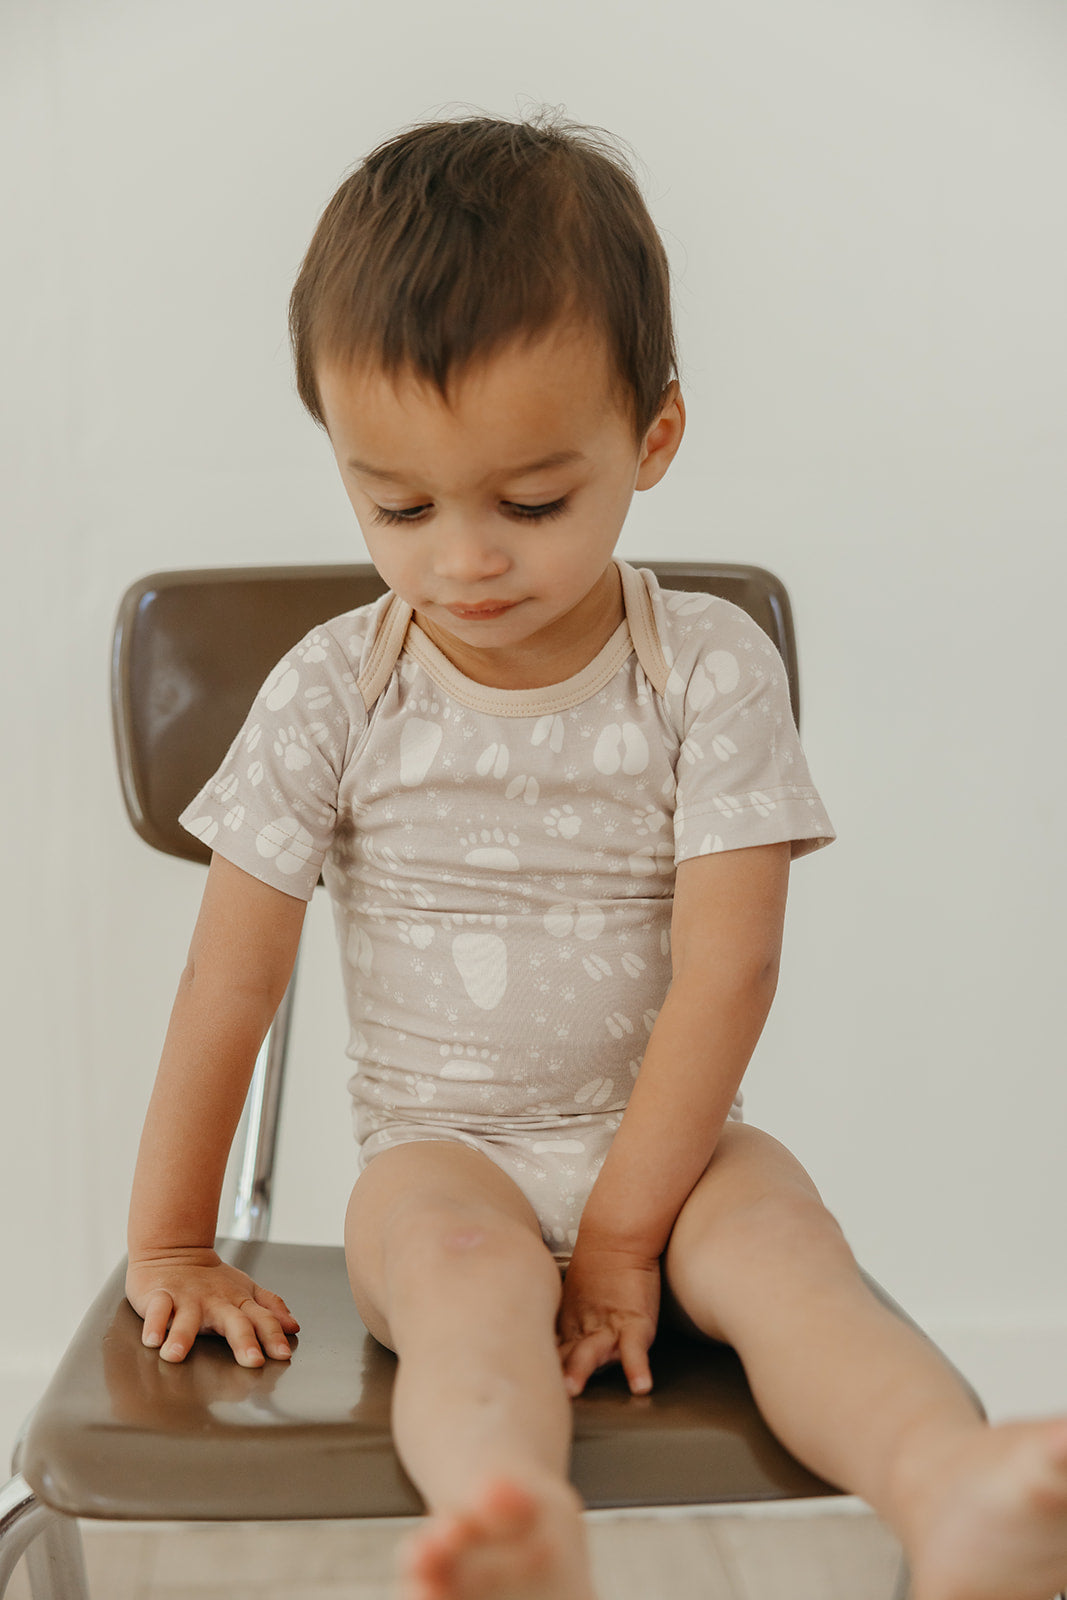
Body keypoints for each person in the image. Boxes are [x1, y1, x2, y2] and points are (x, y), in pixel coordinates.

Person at [125, 112, 1067, 1600]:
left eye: (533, 502)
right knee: (463, 1290)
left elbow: (731, 967)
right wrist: (173, 1241)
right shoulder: (334, 690)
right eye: (398, 505)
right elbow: (228, 987)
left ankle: (947, 1487)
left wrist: (630, 1232)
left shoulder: (708, 667)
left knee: (790, 1260)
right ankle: (511, 1520)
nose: (464, 559)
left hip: (681, 1152)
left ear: (654, 438)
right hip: (443, 1156)